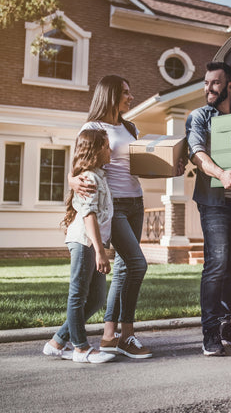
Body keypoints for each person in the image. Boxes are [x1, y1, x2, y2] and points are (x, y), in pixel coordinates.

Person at [69, 75, 152, 359]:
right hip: (112, 205)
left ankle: (110, 336)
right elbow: (77, 167)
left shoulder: (130, 127)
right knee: (138, 264)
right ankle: (124, 334)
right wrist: (71, 182)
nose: (131, 97)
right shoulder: (91, 127)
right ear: (111, 95)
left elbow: (138, 165)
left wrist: (170, 165)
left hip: (136, 202)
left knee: (126, 268)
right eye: (125, 93)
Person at [186, 61, 231, 356]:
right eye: (206, 83)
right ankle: (210, 331)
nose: (208, 89)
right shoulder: (199, 117)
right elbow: (196, 152)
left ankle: (226, 324)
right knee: (217, 265)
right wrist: (221, 173)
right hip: (214, 203)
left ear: (229, 85)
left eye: (215, 83)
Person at [43, 129, 116, 364]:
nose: (110, 150)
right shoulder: (89, 178)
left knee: (96, 299)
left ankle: (57, 342)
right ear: (96, 150)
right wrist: (100, 251)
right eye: (106, 146)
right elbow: (88, 216)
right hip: (84, 241)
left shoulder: (98, 175)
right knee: (78, 295)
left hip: (92, 242)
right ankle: (81, 348)